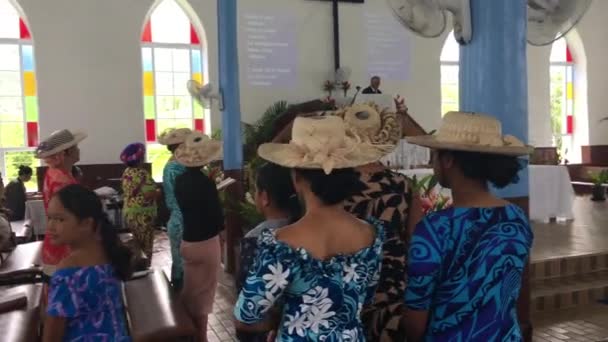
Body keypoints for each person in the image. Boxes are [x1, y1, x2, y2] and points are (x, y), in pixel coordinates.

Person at [234, 116, 388, 340]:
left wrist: (278, 322)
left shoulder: (281, 243)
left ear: (296, 178)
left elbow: (246, 315)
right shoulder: (371, 235)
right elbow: (368, 296)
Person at [402, 112, 534, 341]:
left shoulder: (434, 229)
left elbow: (416, 315)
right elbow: (517, 284)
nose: (432, 163)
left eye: (434, 156)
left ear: (448, 160)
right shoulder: (516, 217)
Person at [332, 103, 422, 341]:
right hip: (391, 288)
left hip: (345, 287)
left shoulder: (330, 188)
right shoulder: (405, 186)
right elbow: (415, 244)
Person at [42, 184, 132, 341]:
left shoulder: (68, 272)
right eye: (49, 218)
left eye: (60, 219)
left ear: (86, 223)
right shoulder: (108, 253)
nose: (50, 226)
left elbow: (52, 336)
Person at [236, 162, 301, 342]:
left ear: (264, 197)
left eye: (256, 190)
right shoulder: (306, 231)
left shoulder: (256, 239)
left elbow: (246, 301)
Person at [173, 132, 224, 342]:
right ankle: (200, 337)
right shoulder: (207, 183)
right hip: (206, 244)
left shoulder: (180, 182)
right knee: (204, 297)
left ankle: (186, 332)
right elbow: (216, 218)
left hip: (188, 242)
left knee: (191, 291)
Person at [35, 129, 86, 277]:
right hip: (64, 246)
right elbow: (72, 216)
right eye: (75, 147)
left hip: (58, 241)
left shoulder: (56, 173)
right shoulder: (61, 181)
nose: (78, 150)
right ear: (65, 154)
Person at [158, 127, 192, 290]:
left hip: (182, 219)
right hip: (181, 220)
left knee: (182, 262)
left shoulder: (178, 165)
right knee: (182, 265)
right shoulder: (175, 168)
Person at [120, 143, 158, 264]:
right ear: (140, 158)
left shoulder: (127, 172)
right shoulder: (142, 174)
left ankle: (134, 269)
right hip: (143, 216)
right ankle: (145, 271)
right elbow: (149, 194)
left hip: (129, 214)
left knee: (135, 245)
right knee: (145, 247)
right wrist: (158, 191)